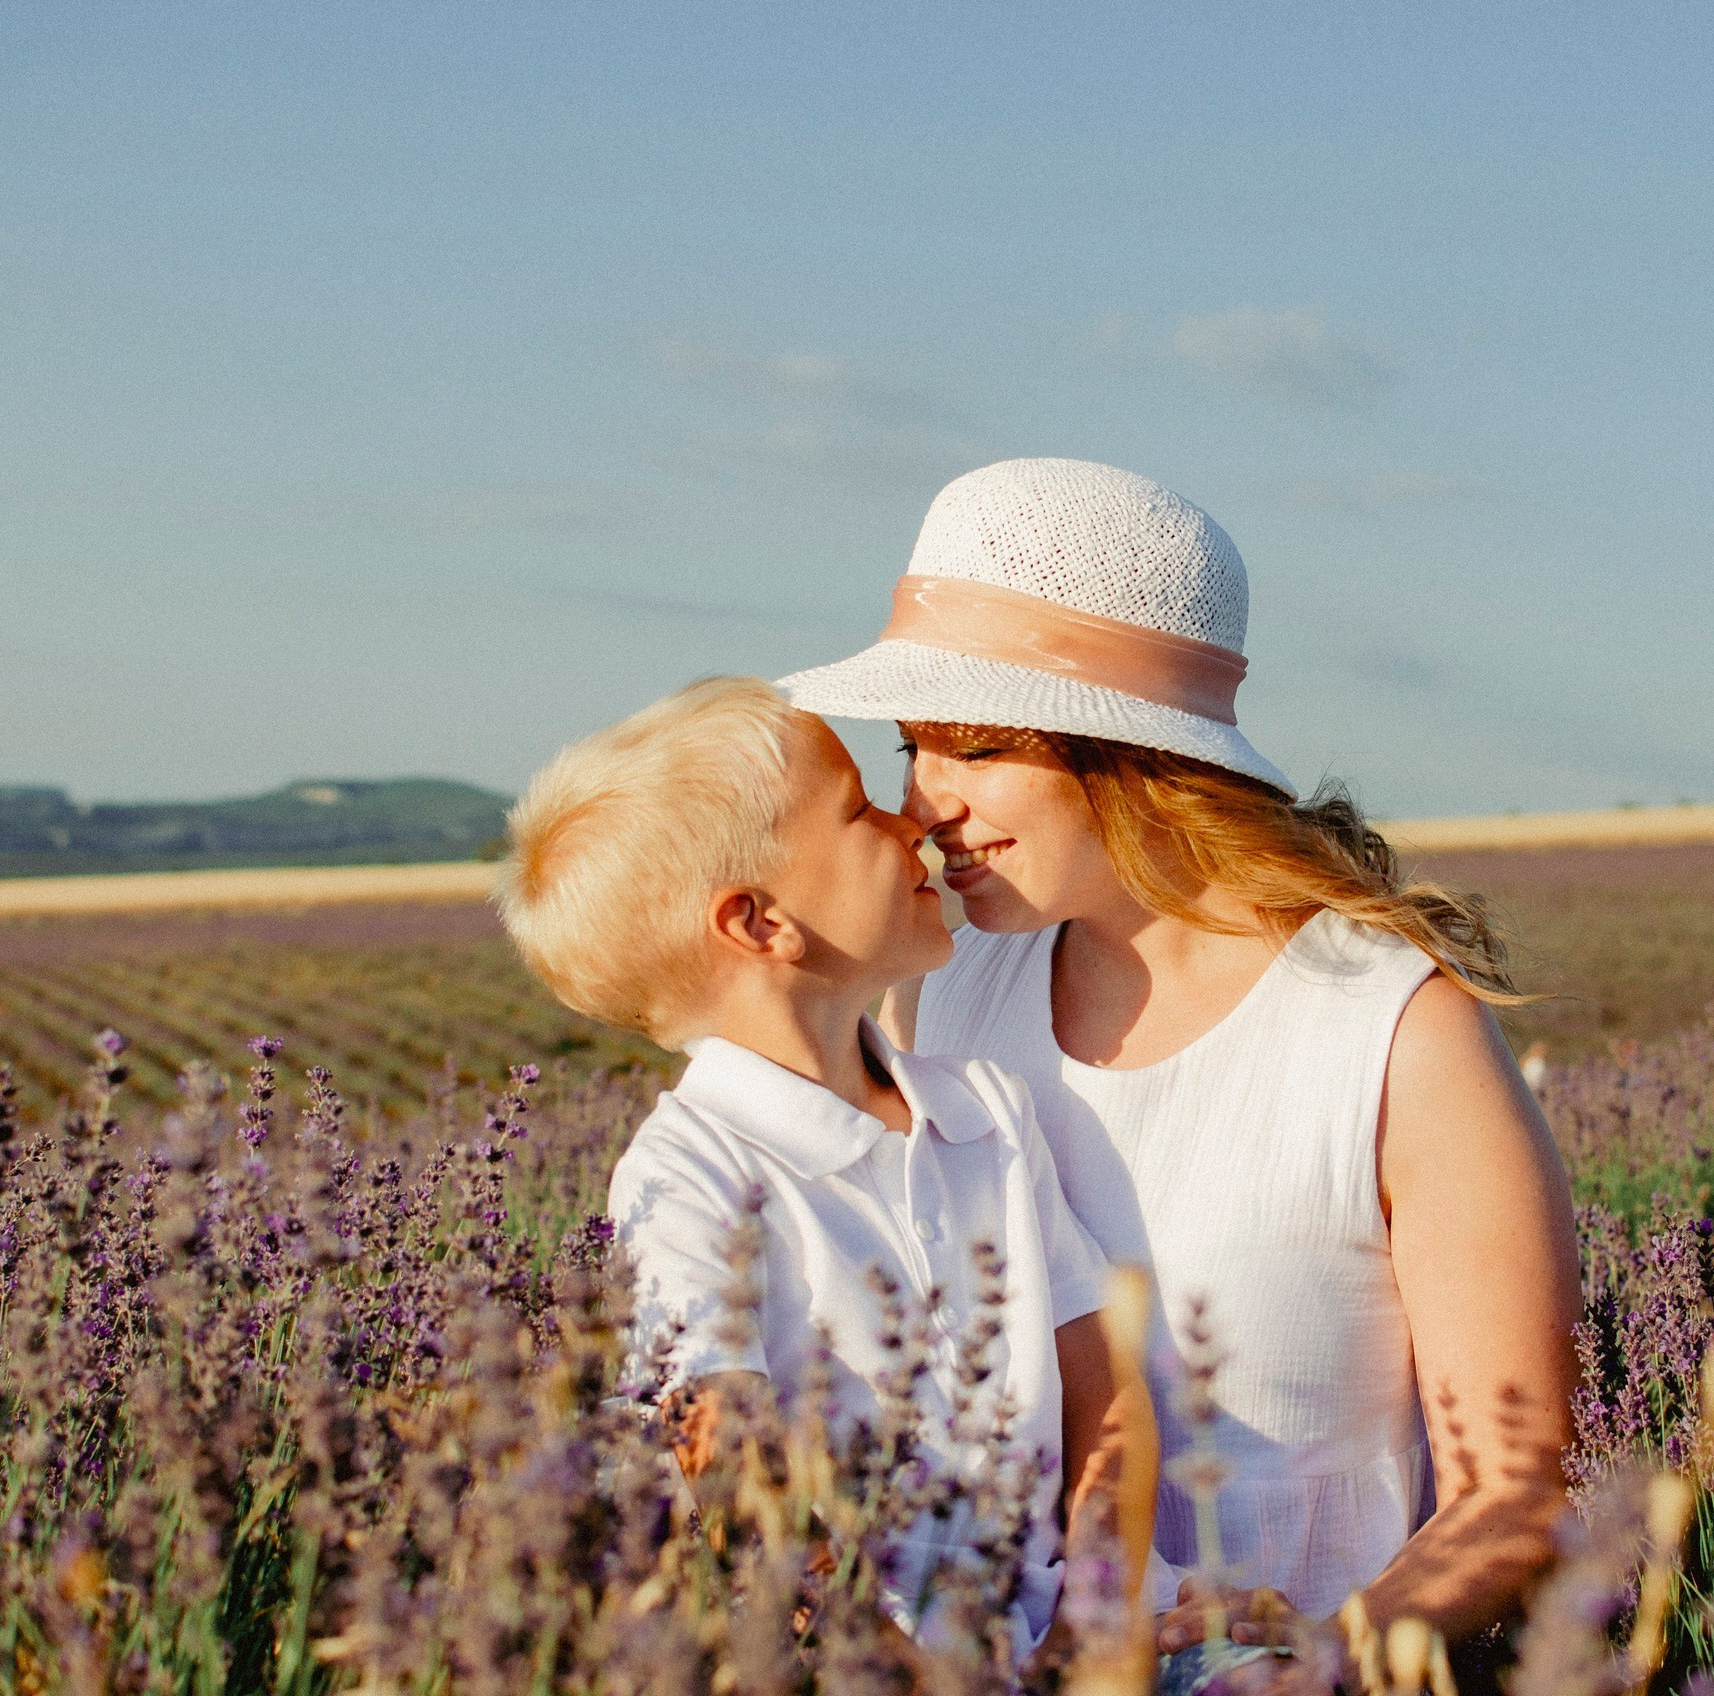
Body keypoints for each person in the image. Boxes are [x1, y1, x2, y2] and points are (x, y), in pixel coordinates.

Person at [779, 459, 1582, 1666]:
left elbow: (1512, 1491)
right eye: (910, 748)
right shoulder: (947, 990)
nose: (924, 802)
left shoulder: (1392, 1032)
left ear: (1130, 747)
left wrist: (1316, 1665)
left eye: (974, 745)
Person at [492, 675, 1157, 1664]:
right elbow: (729, 1479)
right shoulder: (687, 1179)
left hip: (1064, 1633)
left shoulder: (987, 1111)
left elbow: (1104, 1387)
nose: (912, 823)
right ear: (761, 923)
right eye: (859, 811)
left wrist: (1094, 1616)